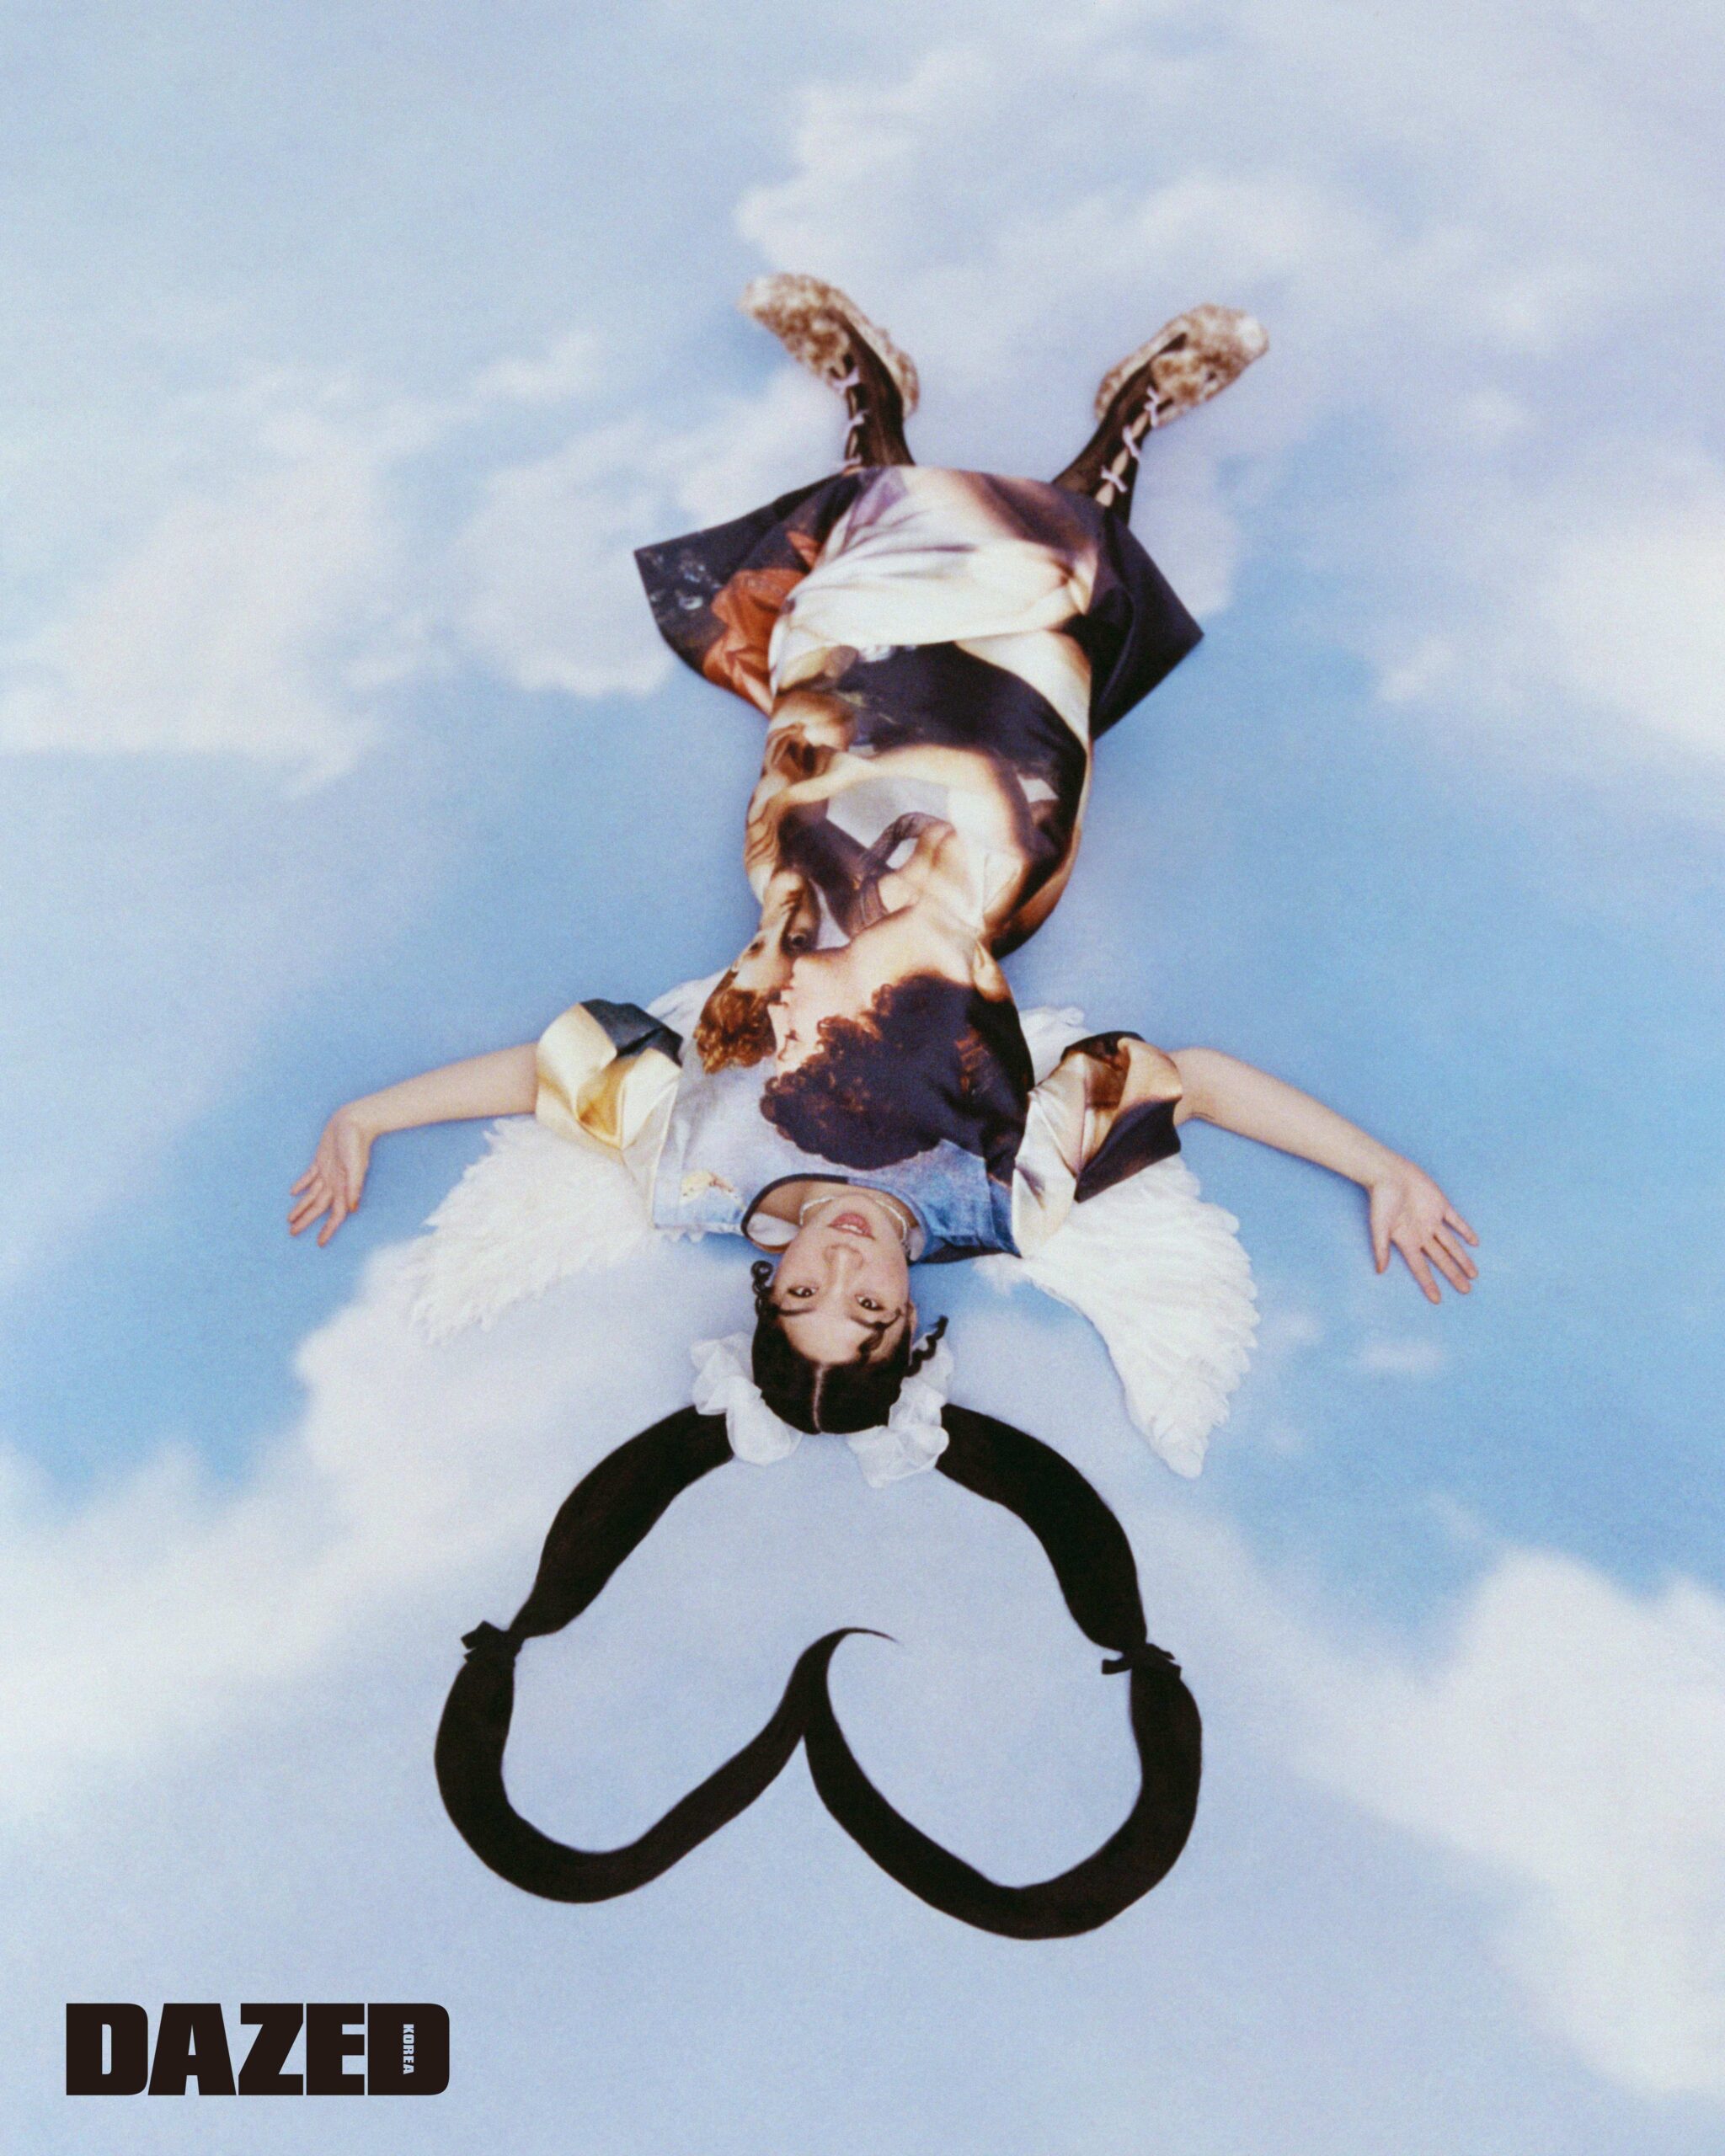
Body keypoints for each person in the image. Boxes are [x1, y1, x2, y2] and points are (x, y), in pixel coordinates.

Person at [292, 276, 1477, 1470]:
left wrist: (365, 1115)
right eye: (871, 1309)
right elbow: (1199, 1083)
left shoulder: (691, 1169)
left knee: (858, 573)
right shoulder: (1003, 1199)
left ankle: (874, 398)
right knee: (1049, 588)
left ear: (767, 1290)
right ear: (914, 1324)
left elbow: (553, 1072)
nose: (846, 1265)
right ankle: (1132, 417)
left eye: (808, 1295)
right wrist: (1381, 1168)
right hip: (991, 826)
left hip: (818, 800)